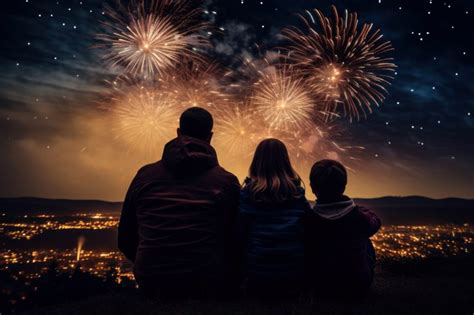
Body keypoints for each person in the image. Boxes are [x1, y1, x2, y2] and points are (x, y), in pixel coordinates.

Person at [118, 107, 240, 299]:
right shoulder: (226, 181)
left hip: (152, 279)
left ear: (178, 132)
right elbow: (235, 238)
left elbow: (125, 238)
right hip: (207, 279)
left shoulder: (145, 176)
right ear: (210, 137)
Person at [238, 139, 310, 297]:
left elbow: (240, 233)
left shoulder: (247, 195)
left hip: (257, 274)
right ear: (285, 161)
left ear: (257, 161)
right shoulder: (297, 195)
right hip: (293, 273)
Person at [304, 159, 381, 298]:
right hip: (357, 285)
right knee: (365, 239)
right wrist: (357, 209)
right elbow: (376, 223)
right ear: (344, 186)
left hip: (321, 286)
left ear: (312, 187)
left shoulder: (309, 219)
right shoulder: (359, 217)